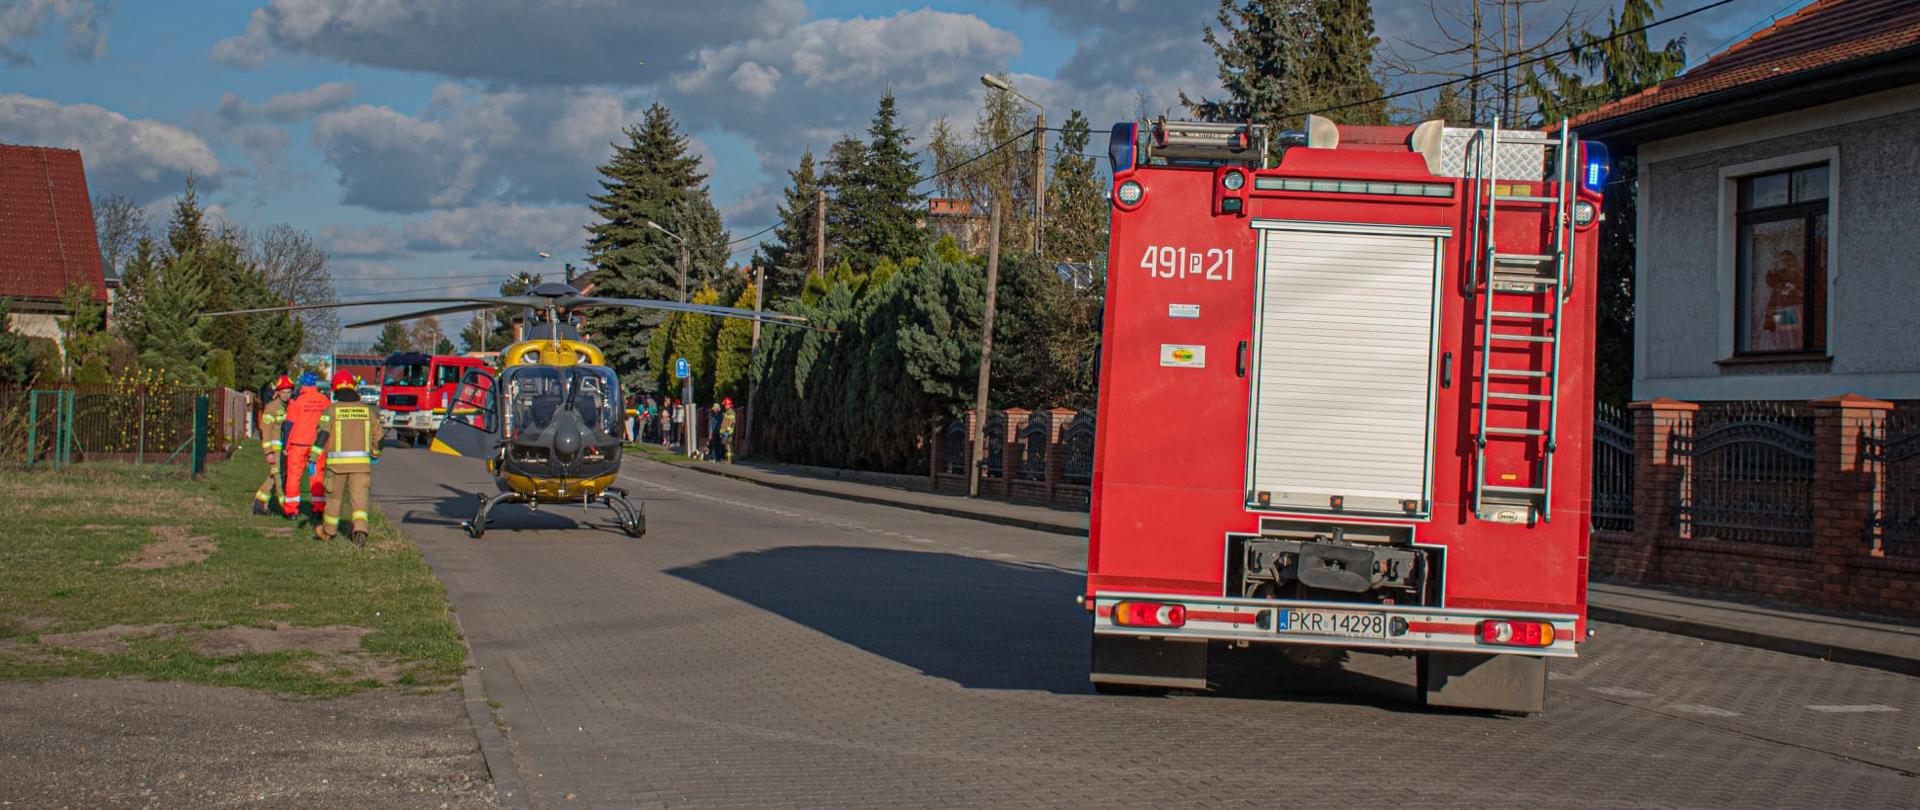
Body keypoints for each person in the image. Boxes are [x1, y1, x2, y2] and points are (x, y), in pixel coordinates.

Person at [312, 370, 384, 547]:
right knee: (359, 499)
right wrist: (375, 454)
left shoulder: (332, 410)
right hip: (361, 466)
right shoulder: (367, 411)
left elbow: (322, 435)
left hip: (337, 467)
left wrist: (312, 459)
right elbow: (379, 437)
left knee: (334, 499)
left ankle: (328, 532)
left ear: (335, 389)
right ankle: (360, 531)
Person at [281, 372, 330, 520]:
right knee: (317, 476)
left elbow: (289, 425)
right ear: (315, 384)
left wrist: (285, 445)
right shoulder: (324, 400)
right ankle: (318, 509)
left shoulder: (296, 400)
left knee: (294, 476)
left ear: (302, 384)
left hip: (298, 443)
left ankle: (291, 511)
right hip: (318, 444)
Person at [252, 375, 295, 515]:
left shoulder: (291, 406)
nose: (286, 395)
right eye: (283, 392)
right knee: (279, 478)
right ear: (277, 392)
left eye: (289, 392)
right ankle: (287, 510)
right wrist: (268, 453)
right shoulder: (271, 408)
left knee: (274, 476)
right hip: (276, 451)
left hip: (286, 450)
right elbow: (266, 432)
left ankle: (259, 503)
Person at [719, 397, 737, 463]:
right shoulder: (726, 412)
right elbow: (723, 422)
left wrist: (728, 431)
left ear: (729, 404)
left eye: (725, 405)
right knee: (726, 445)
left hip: (728, 432)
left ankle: (729, 460)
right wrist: (721, 430)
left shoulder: (731, 412)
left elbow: (732, 422)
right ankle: (730, 459)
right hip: (725, 431)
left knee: (728, 445)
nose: (725, 406)